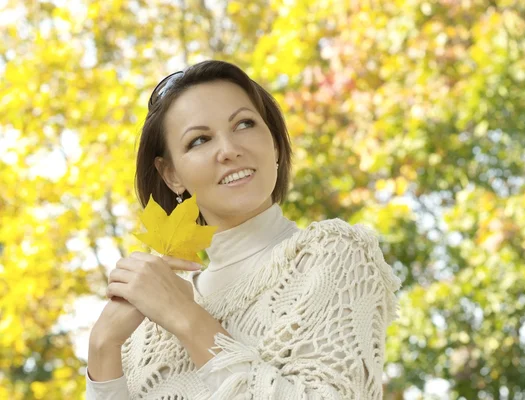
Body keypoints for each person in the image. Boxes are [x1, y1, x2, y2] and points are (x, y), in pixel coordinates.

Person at [85, 60, 402, 399]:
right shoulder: (144, 323)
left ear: (275, 144)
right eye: (199, 140)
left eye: (244, 124)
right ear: (171, 175)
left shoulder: (333, 255)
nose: (229, 149)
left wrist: (185, 317)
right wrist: (103, 346)